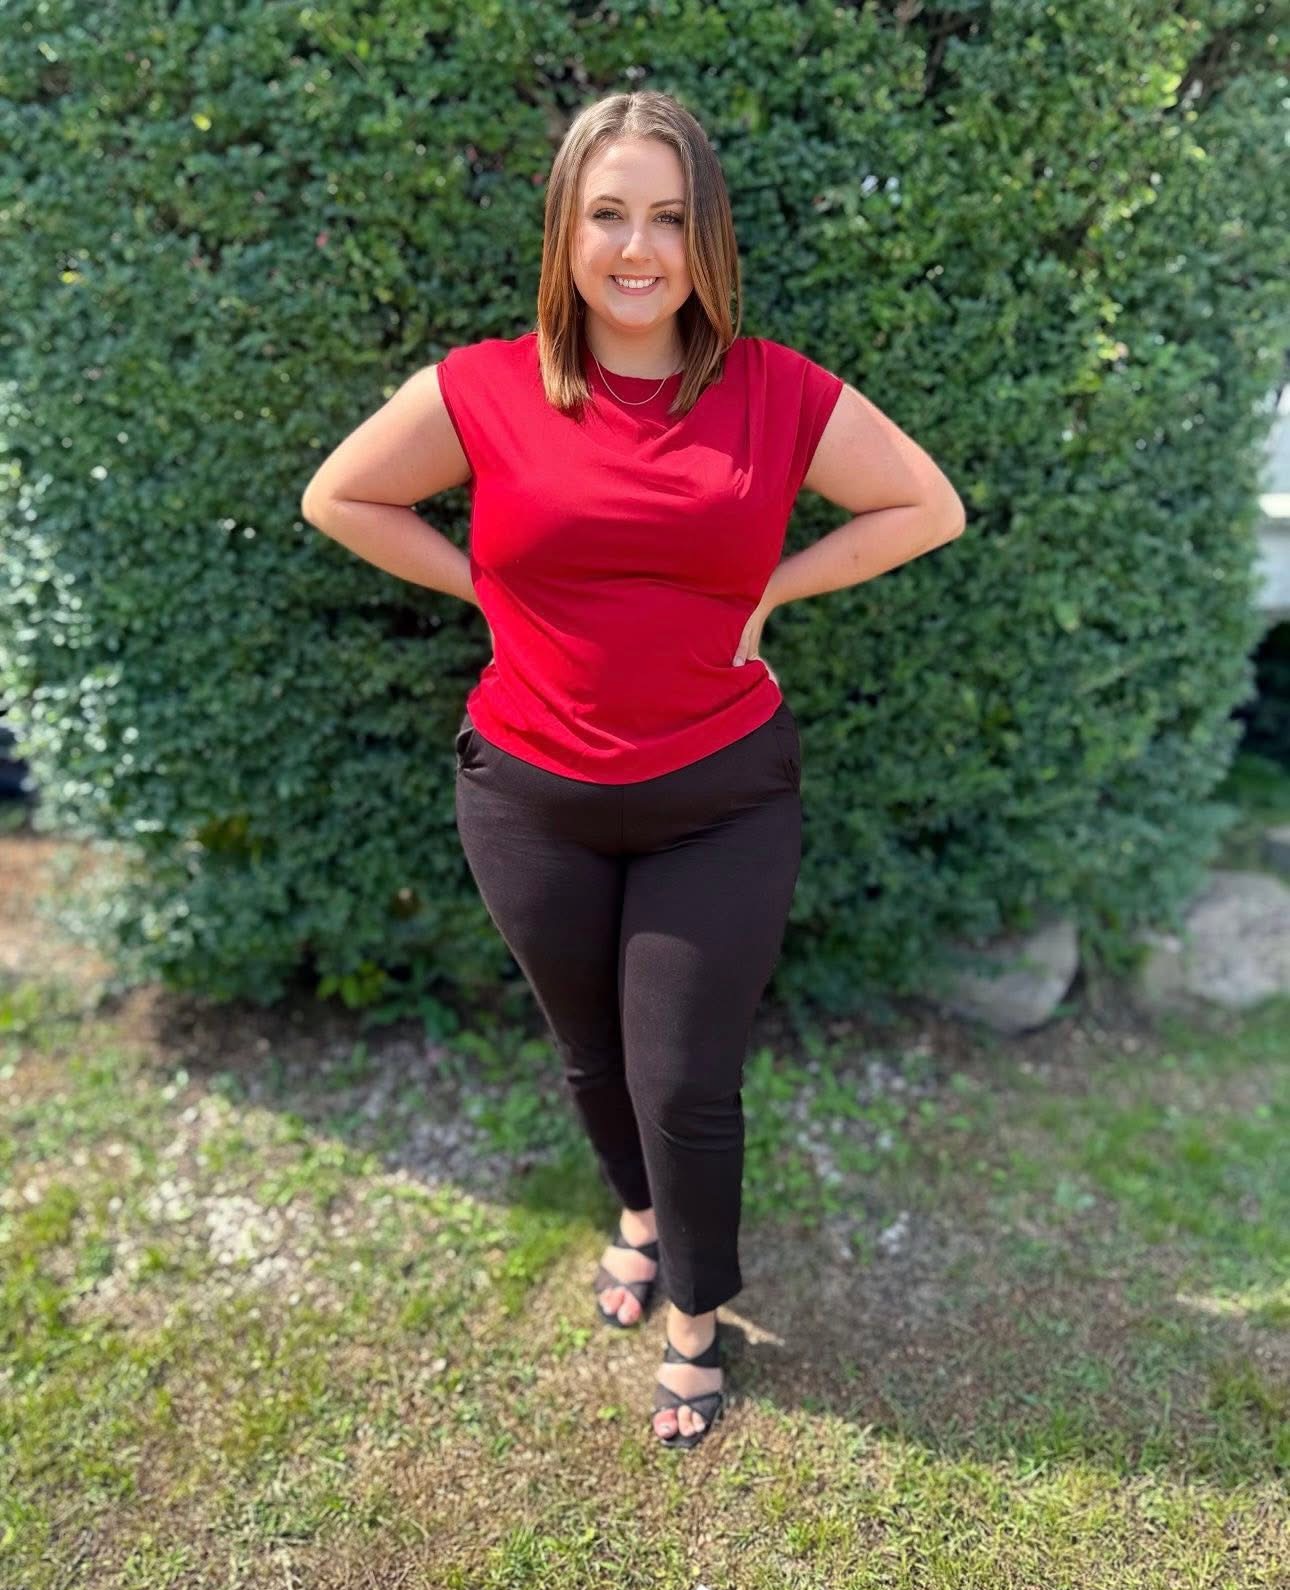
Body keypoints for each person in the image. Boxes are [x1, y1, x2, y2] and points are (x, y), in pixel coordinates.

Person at [301, 89, 966, 1450]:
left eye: (667, 217)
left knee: (682, 1079)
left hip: (718, 797)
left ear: (705, 236)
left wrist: (776, 586)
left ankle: (696, 1318)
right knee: (590, 1052)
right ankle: (639, 1214)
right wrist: (482, 586)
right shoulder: (483, 387)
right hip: (527, 797)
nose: (637, 247)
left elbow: (926, 505)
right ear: (566, 230)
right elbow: (341, 495)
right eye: (608, 213)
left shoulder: (774, 388)